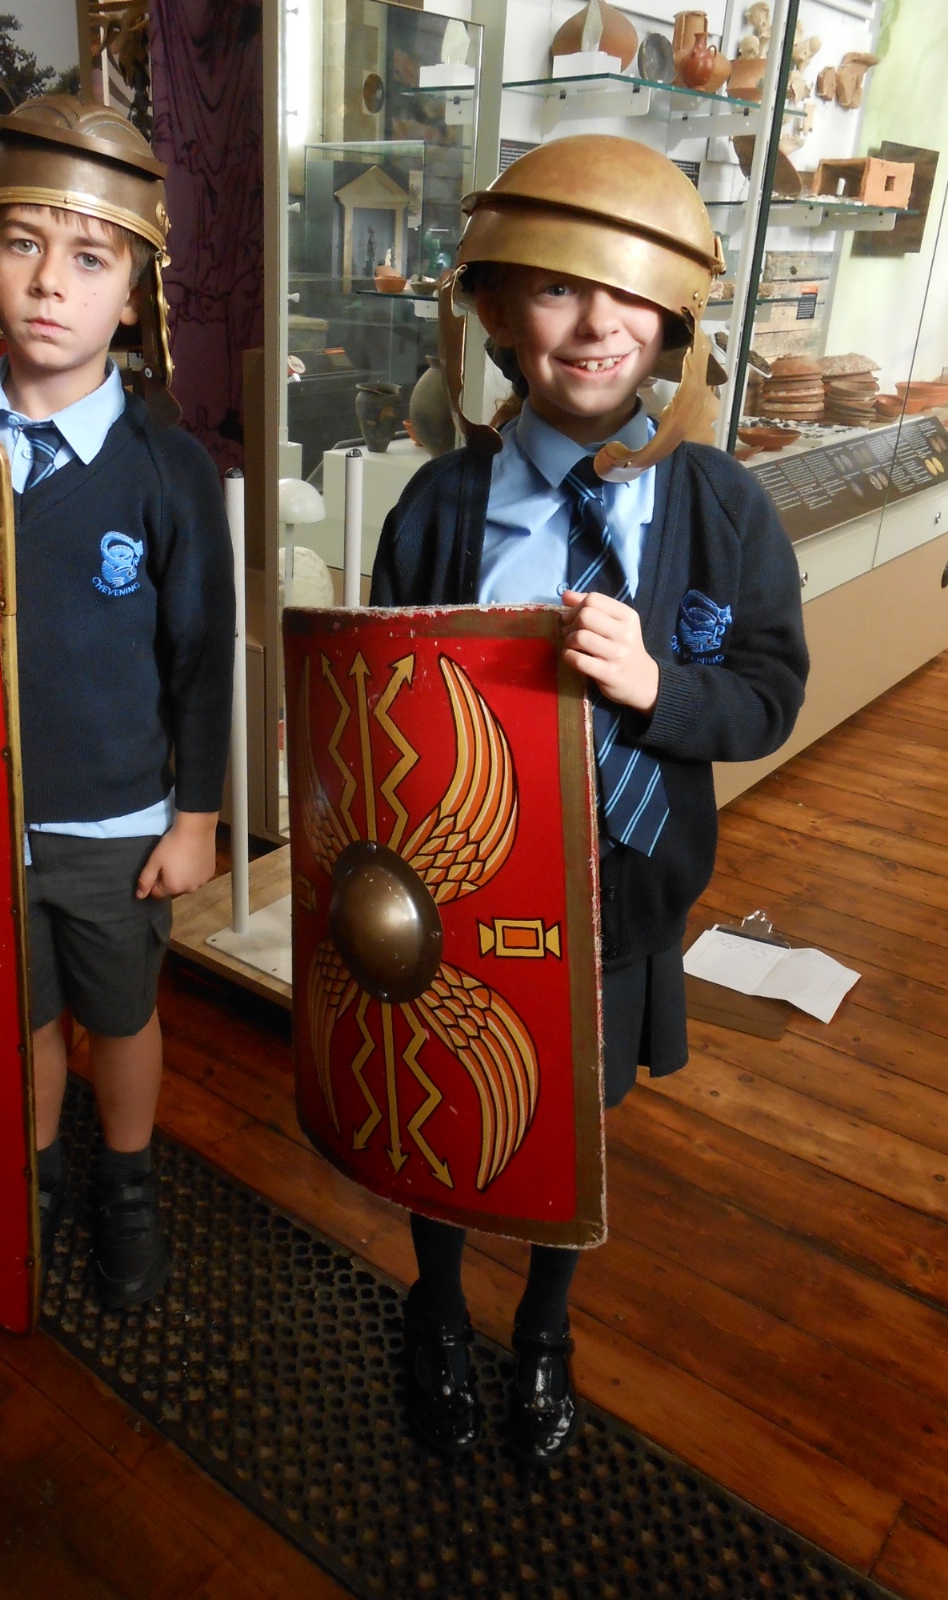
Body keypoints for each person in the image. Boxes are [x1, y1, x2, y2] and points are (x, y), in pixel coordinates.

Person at [370, 134, 809, 1463]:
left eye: (629, 291)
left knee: (576, 1124)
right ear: (499, 310)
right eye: (559, 286)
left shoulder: (723, 508)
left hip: (618, 900)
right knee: (448, 1097)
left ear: (673, 319)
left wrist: (657, 688)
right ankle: (437, 1306)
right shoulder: (438, 506)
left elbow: (767, 694)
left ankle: (545, 1325)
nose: (598, 321)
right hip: (456, 889)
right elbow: (381, 701)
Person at [0, 96, 235, 1310]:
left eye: (91, 258)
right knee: (26, 1018)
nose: (51, 283)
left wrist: (196, 818)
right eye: (23, 244)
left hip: (114, 824)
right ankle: (41, 1171)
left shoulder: (168, 474)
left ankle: (127, 1180)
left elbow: (200, 657)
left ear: (135, 292)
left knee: (120, 1013)